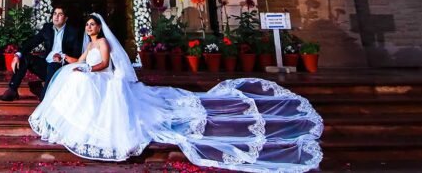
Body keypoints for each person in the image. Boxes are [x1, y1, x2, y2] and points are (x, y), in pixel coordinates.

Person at [29, 14, 323, 172]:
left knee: (78, 79)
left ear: (99, 27)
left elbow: (103, 65)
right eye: (89, 24)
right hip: (91, 77)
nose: (91, 27)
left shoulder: (103, 43)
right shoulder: (88, 45)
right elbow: (79, 62)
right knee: (69, 75)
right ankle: (76, 121)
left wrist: (87, 71)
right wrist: (62, 60)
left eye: (93, 24)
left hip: (103, 79)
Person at [0, 5, 83, 101]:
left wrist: (62, 57)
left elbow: (77, 56)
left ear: (66, 18)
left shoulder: (74, 32)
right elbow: (32, 42)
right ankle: (12, 90)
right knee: (25, 57)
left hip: (61, 68)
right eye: (54, 14)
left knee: (53, 65)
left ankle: (44, 98)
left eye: (60, 14)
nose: (56, 16)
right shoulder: (48, 28)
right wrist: (17, 55)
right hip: (46, 66)